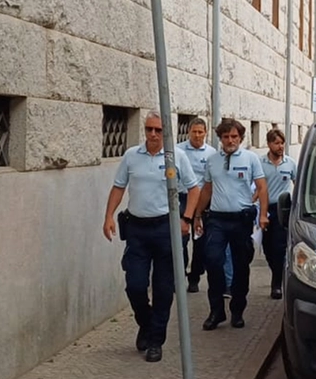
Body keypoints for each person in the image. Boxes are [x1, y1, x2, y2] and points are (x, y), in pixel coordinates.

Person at [103, 111, 201, 362]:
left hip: (165, 229)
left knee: (163, 288)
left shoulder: (176, 156)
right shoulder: (131, 156)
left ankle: (156, 340)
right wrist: (108, 216)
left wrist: (186, 219)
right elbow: (118, 186)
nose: (153, 134)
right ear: (144, 131)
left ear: (165, 132)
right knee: (135, 285)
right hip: (137, 229)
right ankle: (145, 324)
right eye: (149, 129)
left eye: (158, 130)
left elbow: (193, 189)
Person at [192, 117, 268, 330]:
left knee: (241, 266)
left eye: (234, 136)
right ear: (220, 138)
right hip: (217, 219)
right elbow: (207, 189)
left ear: (241, 138)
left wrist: (263, 215)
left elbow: (262, 187)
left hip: (241, 219)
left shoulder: (251, 159)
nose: (230, 140)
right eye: (226, 136)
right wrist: (197, 215)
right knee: (213, 260)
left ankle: (237, 310)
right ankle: (216, 311)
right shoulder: (213, 160)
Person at [177, 117, 232, 293]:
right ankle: (179, 274)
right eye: (194, 131)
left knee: (200, 242)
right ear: (189, 132)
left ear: (206, 133)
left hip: (203, 201)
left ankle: (195, 276)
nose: (197, 135)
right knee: (180, 240)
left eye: (201, 132)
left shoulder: (211, 153)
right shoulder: (179, 151)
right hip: (183, 199)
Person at [259, 128, 297, 300]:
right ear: (269, 144)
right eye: (277, 143)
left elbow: (298, 183)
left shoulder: (290, 163)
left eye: (282, 143)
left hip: (282, 209)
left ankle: (277, 284)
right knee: (267, 248)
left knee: (280, 247)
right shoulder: (260, 163)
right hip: (264, 210)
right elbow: (257, 187)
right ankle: (275, 271)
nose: (280, 146)